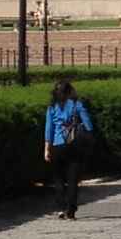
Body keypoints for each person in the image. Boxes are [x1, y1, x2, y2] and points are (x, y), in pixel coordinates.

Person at [42, 79, 94, 221]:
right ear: (70, 91)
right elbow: (89, 126)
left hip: (57, 145)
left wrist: (47, 148)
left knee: (58, 178)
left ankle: (60, 208)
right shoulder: (77, 105)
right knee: (72, 180)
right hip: (74, 145)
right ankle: (70, 210)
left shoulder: (51, 107)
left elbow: (49, 129)